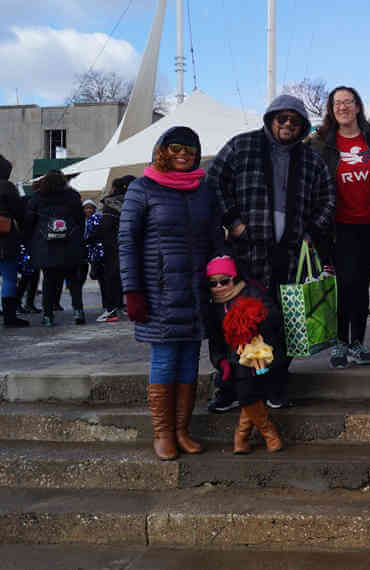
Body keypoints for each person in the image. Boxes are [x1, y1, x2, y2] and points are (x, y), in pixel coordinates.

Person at [207, 94, 335, 409]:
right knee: (239, 322)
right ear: (270, 119)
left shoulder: (311, 159)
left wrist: (310, 231)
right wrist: (233, 221)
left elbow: (328, 198)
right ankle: (231, 387)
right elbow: (213, 183)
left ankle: (275, 385)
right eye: (282, 118)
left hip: (290, 256)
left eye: (295, 120)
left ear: (303, 125)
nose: (288, 124)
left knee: (286, 323)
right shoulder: (241, 146)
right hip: (247, 254)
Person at [119, 126, 222, 460]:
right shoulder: (142, 188)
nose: (183, 154)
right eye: (175, 147)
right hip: (158, 289)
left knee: (191, 359)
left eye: (190, 149)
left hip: (195, 290)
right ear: (162, 150)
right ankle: (163, 433)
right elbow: (127, 241)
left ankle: (182, 430)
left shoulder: (203, 191)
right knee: (165, 358)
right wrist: (132, 289)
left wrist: (224, 274)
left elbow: (215, 238)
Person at [308, 85, 370, 370]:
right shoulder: (322, 144)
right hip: (340, 226)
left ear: (358, 106)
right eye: (337, 103)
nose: (343, 107)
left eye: (348, 102)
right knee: (345, 285)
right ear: (332, 110)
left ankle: (358, 342)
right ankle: (340, 344)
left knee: (362, 287)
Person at [204, 255, 285, 454]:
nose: (220, 287)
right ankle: (264, 434)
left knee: (247, 388)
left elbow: (274, 317)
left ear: (235, 277)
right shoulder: (213, 307)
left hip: (262, 355)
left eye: (225, 281)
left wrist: (254, 318)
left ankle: (246, 436)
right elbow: (216, 341)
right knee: (245, 385)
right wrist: (220, 362)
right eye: (213, 283)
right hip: (235, 361)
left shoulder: (252, 292)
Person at [22, 170, 86, 327]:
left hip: (46, 245)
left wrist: (29, 242)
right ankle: (78, 311)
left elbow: (29, 222)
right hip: (70, 243)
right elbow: (80, 220)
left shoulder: (37, 198)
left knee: (49, 281)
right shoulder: (72, 196)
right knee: (73, 279)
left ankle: (48, 316)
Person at [93, 175, 135, 322]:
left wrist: (93, 235)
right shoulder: (137, 202)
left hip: (113, 247)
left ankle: (112, 309)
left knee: (112, 277)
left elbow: (106, 226)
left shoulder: (111, 204)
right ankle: (130, 307)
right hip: (134, 246)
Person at [0, 154, 28, 327]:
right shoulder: (7, 187)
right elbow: (20, 212)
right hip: (5, 240)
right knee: (9, 278)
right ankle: (10, 317)